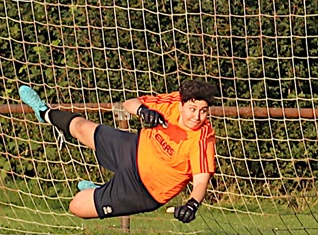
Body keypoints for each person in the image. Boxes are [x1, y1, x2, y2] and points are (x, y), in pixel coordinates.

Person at [18, 79, 218, 223]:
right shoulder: (173, 102)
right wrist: (143, 111)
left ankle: (97, 190)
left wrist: (193, 204)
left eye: (203, 111)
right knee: (81, 128)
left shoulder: (202, 138)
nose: (197, 116)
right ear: (182, 104)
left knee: (76, 206)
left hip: (142, 190)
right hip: (133, 149)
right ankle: (43, 111)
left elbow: (201, 180)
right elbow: (129, 103)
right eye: (192, 109)